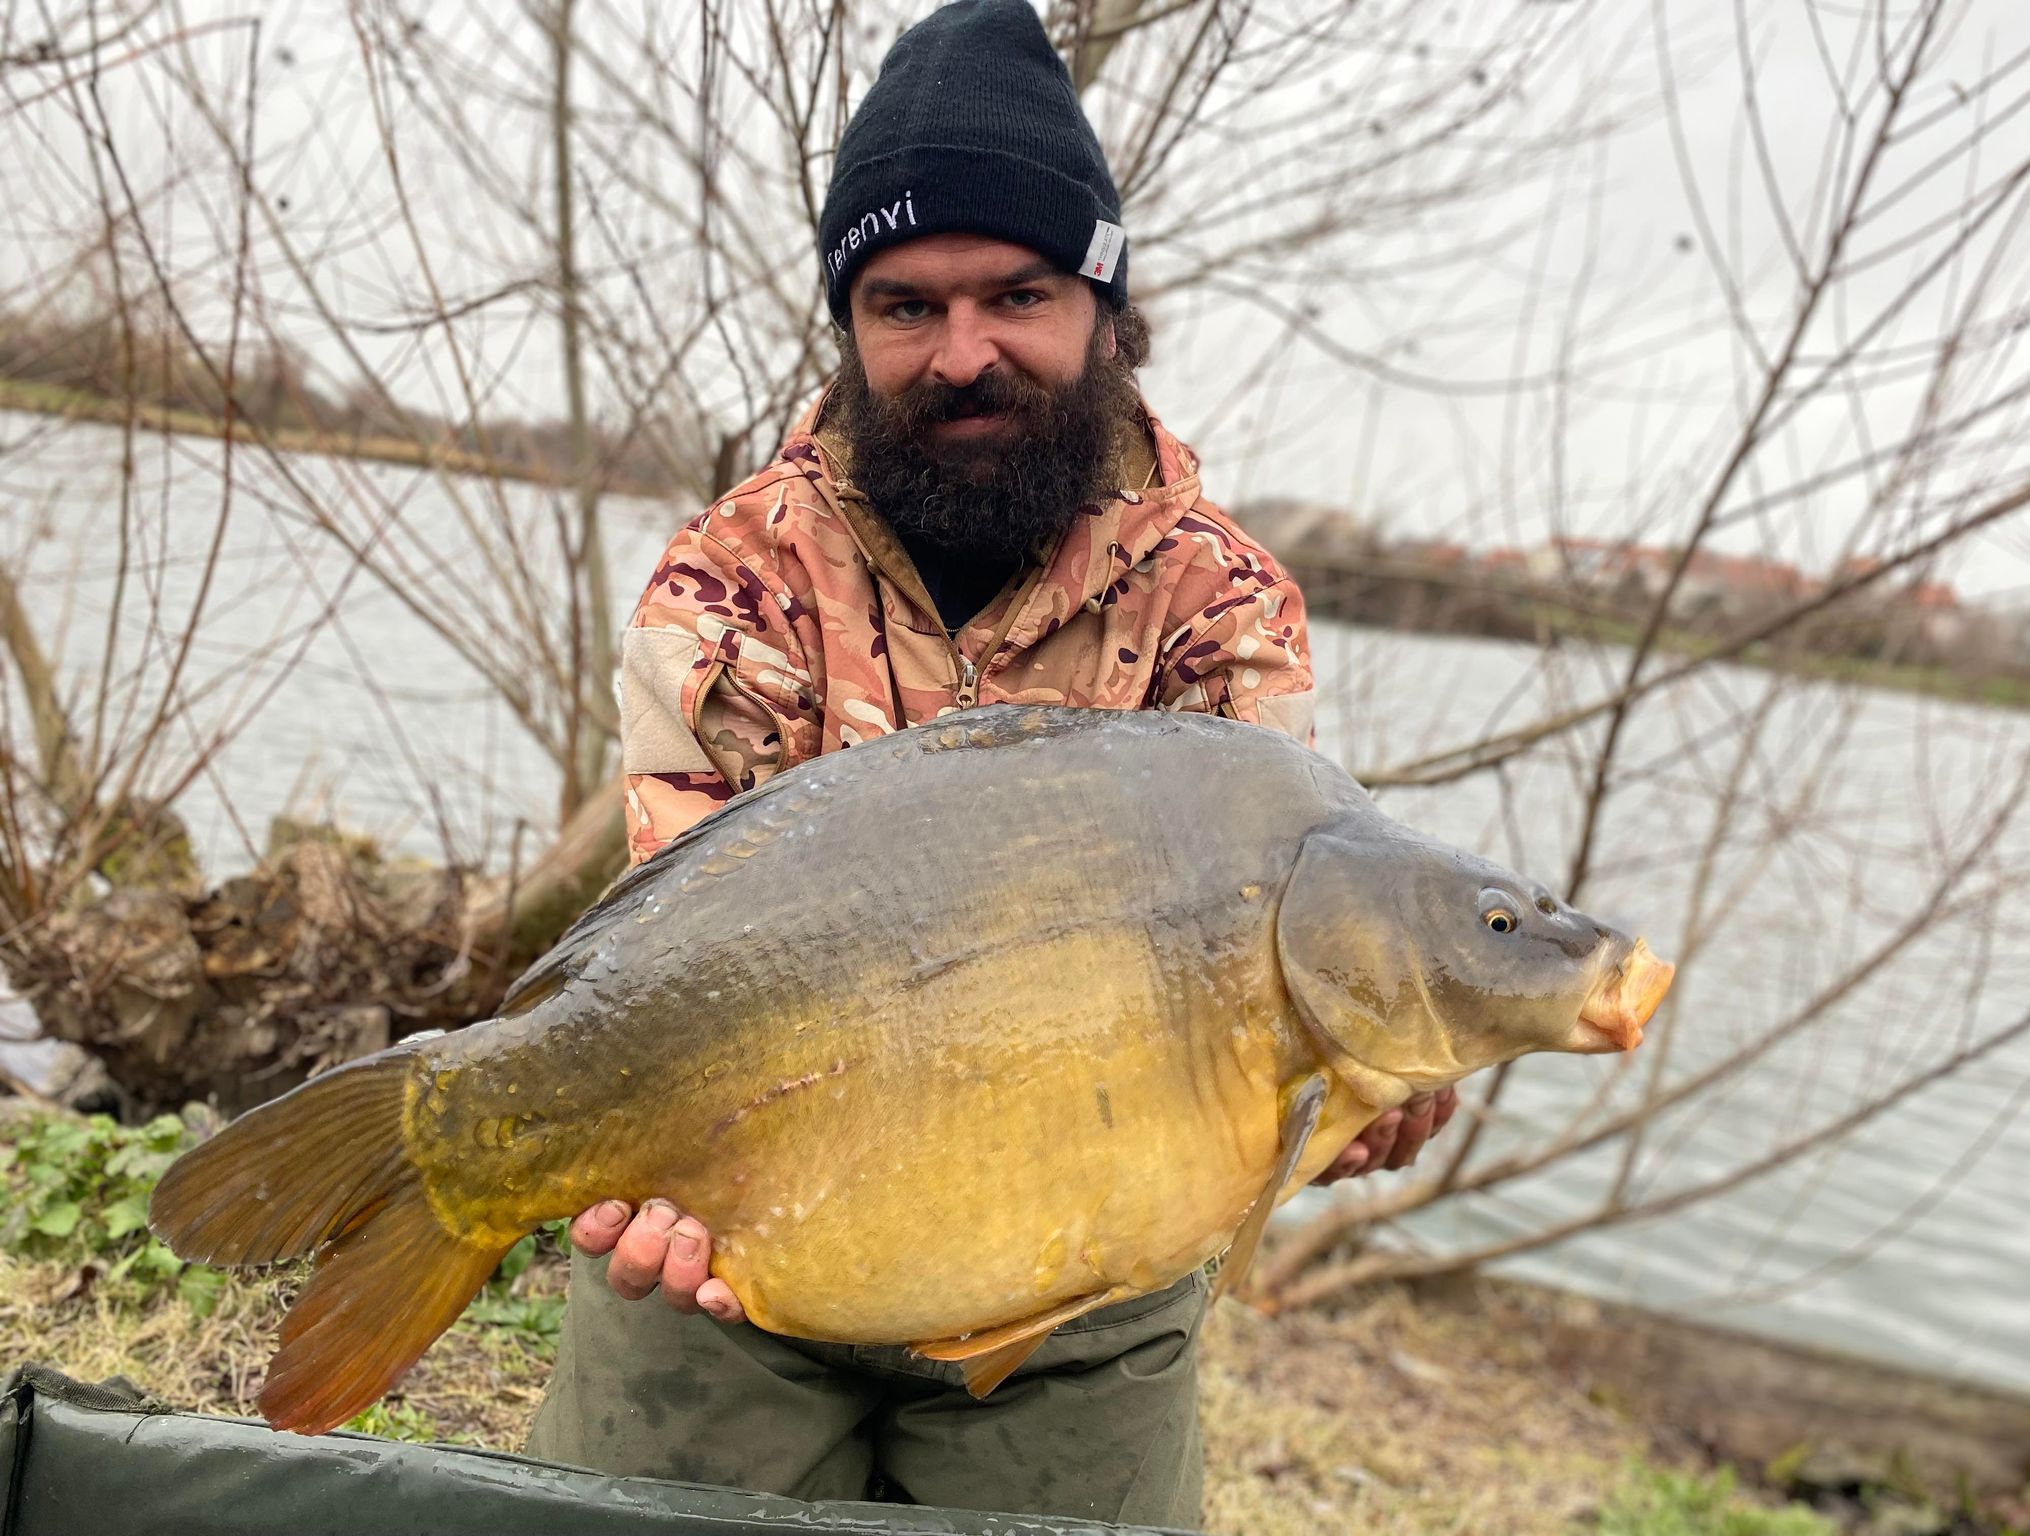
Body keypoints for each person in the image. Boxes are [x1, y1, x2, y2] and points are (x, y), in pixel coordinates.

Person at [525, 0, 1456, 1524]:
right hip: (750, 1245)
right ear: (851, 327)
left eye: (1016, 294)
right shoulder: (730, 582)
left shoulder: (1220, 605)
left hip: (1083, 1276)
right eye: (905, 306)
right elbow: (680, 959)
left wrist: (1345, 1084)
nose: (963, 355)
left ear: (1104, 306)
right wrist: (638, 1173)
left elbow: (1256, 992)